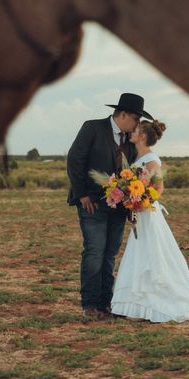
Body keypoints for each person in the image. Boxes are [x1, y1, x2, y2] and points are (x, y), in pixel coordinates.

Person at [111, 119, 189, 322]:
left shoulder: (151, 159)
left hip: (148, 212)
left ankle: (153, 303)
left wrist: (141, 200)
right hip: (140, 213)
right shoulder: (136, 156)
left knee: (151, 253)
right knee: (140, 253)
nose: (132, 132)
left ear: (143, 136)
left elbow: (159, 189)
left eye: (136, 130)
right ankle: (137, 305)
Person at [67, 93, 154, 320]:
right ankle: (90, 305)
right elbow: (75, 160)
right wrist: (82, 194)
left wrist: (133, 204)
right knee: (95, 251)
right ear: (123, 114)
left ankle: (107, 304)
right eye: (136, 119)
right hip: (92, 204)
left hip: (119, 207)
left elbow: (133, 173)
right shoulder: (92, 128)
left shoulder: (129, 141)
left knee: (109, 255)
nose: (137, 125)